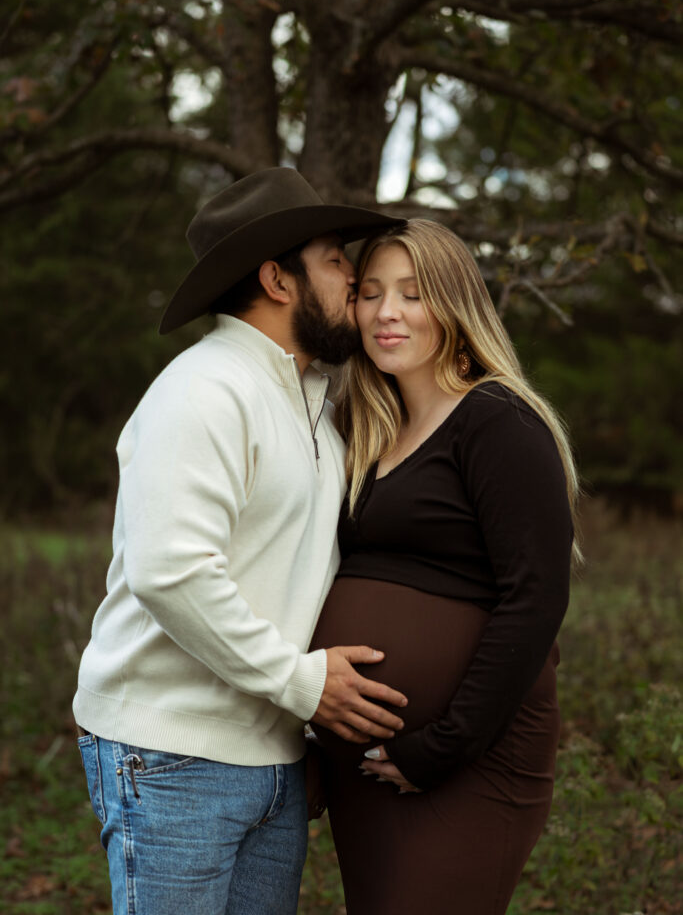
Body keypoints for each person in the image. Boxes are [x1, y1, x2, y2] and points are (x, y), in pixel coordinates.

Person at [72, 167, 410, 915]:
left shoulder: (312, 404)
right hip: (172, 754)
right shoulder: (203, 390)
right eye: (334, 260)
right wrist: (304, 686)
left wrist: (300, 735)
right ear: (277, 280)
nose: (353, 280)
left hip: (272, 758)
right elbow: (170, 572)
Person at [310, 217, 578, 915]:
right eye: (370, 293)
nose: (386, 312)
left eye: (412, 293)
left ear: (455, 304)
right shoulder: (365, 427)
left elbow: (536, 597)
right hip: (367, 762)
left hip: (467, 758)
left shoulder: (498, 420)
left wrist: (444, 745)